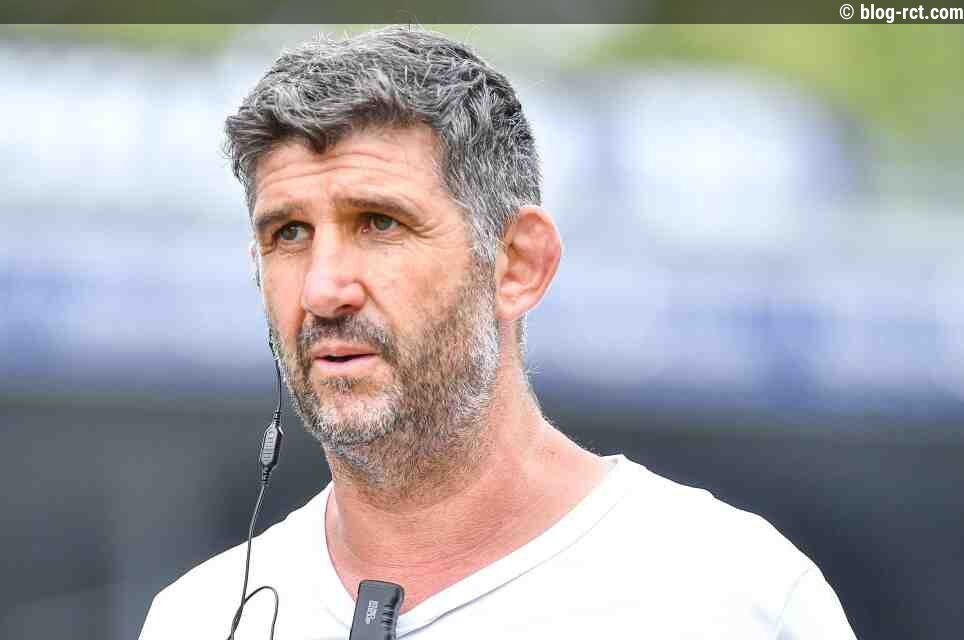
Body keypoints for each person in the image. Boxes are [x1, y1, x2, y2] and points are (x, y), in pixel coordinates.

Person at [139, 25, 857, 639]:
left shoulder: (733, 598)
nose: (324, 289)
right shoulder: (199, 618)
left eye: (380, 223)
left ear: (518, 264)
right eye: (289, 233)